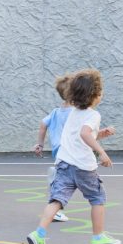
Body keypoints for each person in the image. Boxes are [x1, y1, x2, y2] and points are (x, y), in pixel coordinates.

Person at [26, 69, 120, 244]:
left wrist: (101, 134)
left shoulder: (73, 113)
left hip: (64, 163)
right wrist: (101, 152)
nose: (101, 95)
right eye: (100, 92)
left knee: (57, 199)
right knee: (97, 198)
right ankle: (98, 236)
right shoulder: (93, 115)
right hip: (83, 167)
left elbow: (83, 134)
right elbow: (85, 134)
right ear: (93, 96)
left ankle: (39, 234)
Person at [33, 73, 74, 222]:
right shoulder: (75, 113)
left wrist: (40, 143)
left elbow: (43, 124)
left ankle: (56, 182)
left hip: (59, 150)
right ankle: (55, 205)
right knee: (72, 179)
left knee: (66, 177)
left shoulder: (56, 112)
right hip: (70, 150)